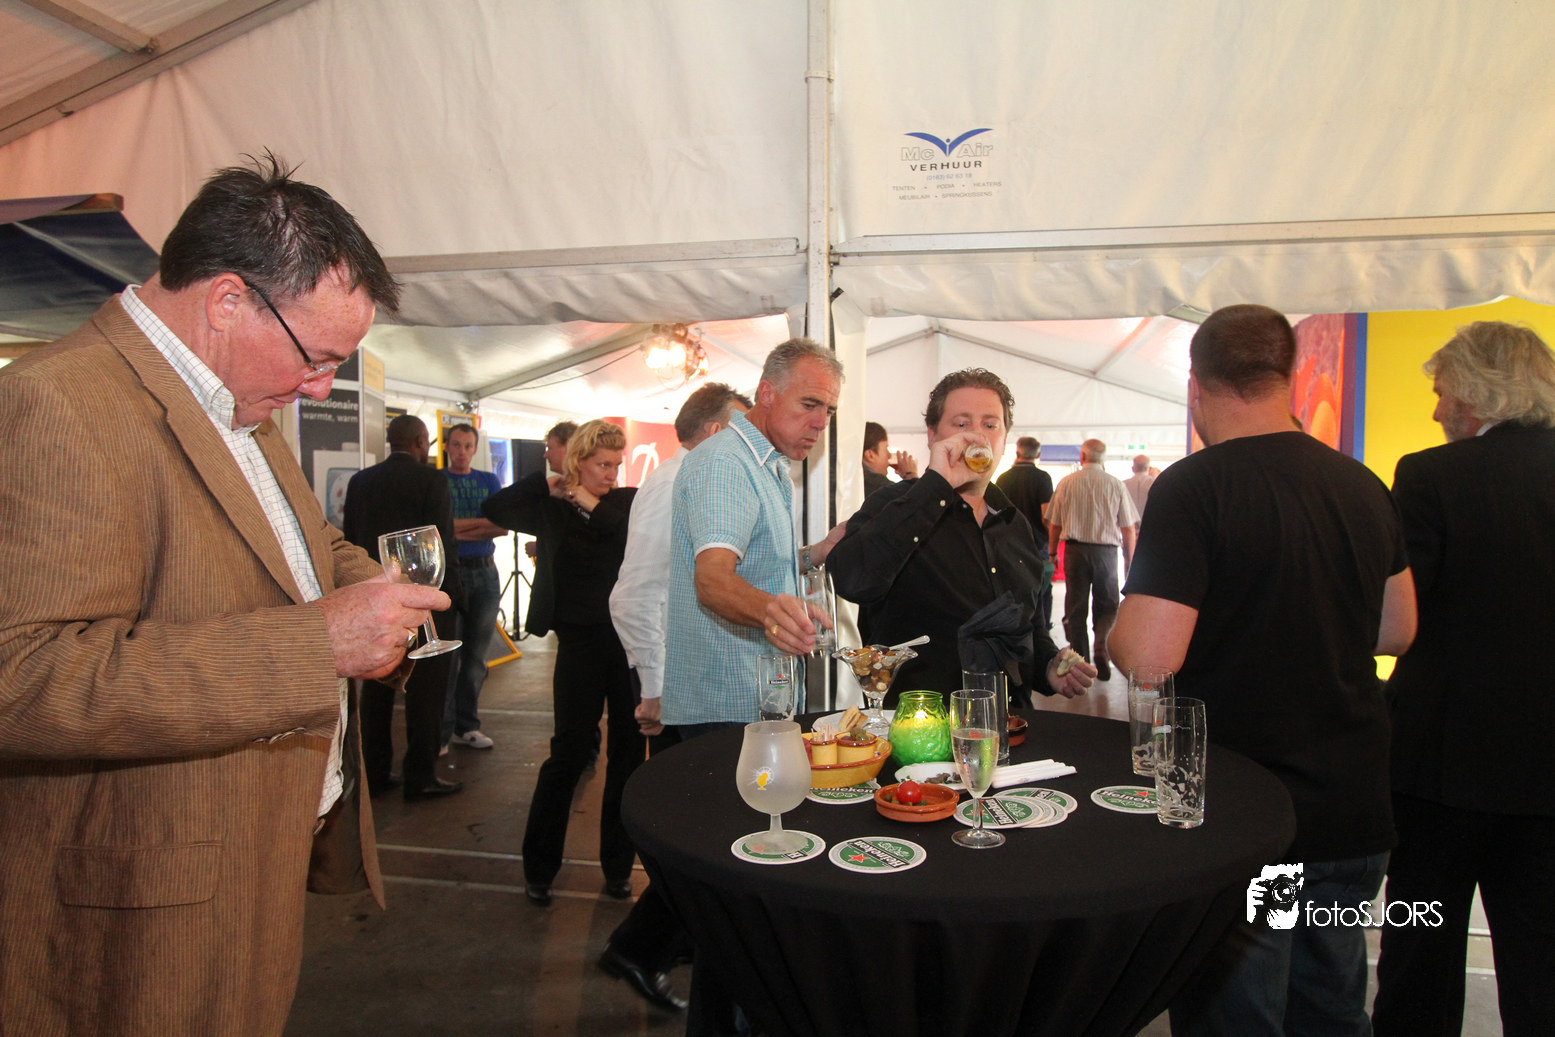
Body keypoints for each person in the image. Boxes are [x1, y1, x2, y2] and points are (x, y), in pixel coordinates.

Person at [0, 153, 446, 1035]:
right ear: (229, 300)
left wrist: (372, 588)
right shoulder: (58, 404)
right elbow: (24, 675)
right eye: (316, 358)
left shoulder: (234, 399)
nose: (320, 386)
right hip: (139, 905)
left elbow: (304, 542)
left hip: (248, 860)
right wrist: (318, 645)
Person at [1108, 303, 1417, 1037]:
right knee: (1332, 1007)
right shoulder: (1360, 483)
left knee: (1241, 1015)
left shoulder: (1194, 487)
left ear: (1196, 385)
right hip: (1349, 807)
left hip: (1246, 813)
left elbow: (1149, 658)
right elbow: (1397, 630)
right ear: (1289, 377)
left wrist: (1115, 632)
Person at [1372, 322, 1555, 1037]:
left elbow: (1399, 618)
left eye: (1442, 391)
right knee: (1540, 961)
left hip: (1441, 758)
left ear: (1478, 393)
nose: (1436, 409)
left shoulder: (1431, 474)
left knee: (1421, 950)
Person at [659, 338, 845, 1036]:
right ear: (765, 394)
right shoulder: (726, 462)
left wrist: (799, 575)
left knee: (739, 904)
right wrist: (773, 612)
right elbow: (713, 579)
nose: (818, 422)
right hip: (727, 708)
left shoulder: (765, 466)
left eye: (827, 411)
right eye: (808, 403)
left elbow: (756, 562)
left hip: (752, 701)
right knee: (742, 903)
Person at [597, 382, 750, 1013]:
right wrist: (657, 684)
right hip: (685, 682)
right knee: (711, 827)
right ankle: (642, 944)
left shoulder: (703, 477)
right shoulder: (677, 481)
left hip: (704, 676)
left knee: (707, 822)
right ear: (714, 432)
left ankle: (673, 936)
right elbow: (635, 592)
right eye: (741, 428)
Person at [831, 373, 1094, 708]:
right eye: (961, 423)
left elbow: (1028, 626)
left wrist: (1049, 667)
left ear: (1004, 440)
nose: (976, 436)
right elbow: (852, 579)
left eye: (990, 425)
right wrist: (936, 486)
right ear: (932, 435)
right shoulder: (895, 505)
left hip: (1008, 722)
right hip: (922, 727)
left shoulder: (1014, 523)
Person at [482, 420, 642, 906]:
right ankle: (539, 869)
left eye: (616, 464)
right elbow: (496, 508)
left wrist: (588, 498)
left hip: (629, 647)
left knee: (628, 759)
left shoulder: (625, 502)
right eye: (602, 464)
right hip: (578, 644)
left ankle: (618, 869)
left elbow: (625, 533)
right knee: (567, 755)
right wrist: (550, 483)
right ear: (578, 463)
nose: (612, 473)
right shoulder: (552, 509)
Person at [342, 414, 465, 801]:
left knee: (377, 688)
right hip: (423, 600)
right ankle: (421, 775)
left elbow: (349, 540)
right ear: (419, 442)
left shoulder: (361, 482)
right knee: (427, 691)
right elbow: (442, 541)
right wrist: (455, 598)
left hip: (374, 595)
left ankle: (376, 772)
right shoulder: (431, 480)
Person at [1045, 438, 1139, 680]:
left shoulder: (1066, 483)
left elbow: (1054, 524)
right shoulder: (1115, 484)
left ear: (1083, 457)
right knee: (1107, 605)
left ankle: (1081, 662)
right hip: (1106, 553)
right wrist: (1129, 559)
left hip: (1075, 552)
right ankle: (1101, 647)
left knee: (1075, 607)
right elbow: (1128, 528)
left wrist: (1053, 552)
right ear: (1103, 458)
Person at [442, 421, 508, 751]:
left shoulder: (488, 480)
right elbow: (439, 529)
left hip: (484, 574)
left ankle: (466, 726)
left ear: (475, 449)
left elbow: (501, 527)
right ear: (447, 446)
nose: (461, 452)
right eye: (456, 445)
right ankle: (442, 731)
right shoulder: (438, 480)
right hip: (450, 574)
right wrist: (478, 525)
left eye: (468, 446)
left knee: (475, 658)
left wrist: (457, 529)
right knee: (447, 656)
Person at [994, 435, 1056, 630]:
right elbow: (1046, 515)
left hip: (1008, 543)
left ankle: (1013, 629)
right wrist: (1052, 543)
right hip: (1037, 543)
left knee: (1011, 587)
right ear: (1038, 454)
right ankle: (1041, 631)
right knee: (1041, 587)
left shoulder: (1003, 478)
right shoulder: (1042, 478)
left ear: (1017, 452)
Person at [862, 419, 917, 499]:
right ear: (870, 455)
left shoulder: (850, 479)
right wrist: (911, 476)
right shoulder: (879, 485)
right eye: (885, 449)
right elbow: (916, 501)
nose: (889, 455)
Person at [1122, 453, 1155, 520]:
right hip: (1150, 522)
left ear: (1132, 469)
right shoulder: (1155, 483)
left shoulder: (1123, 485)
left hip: (1129, 523)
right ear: (1149, 468)